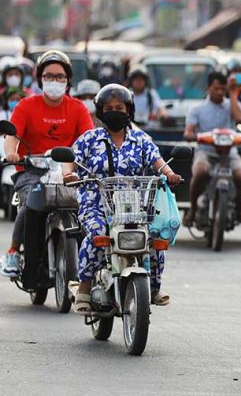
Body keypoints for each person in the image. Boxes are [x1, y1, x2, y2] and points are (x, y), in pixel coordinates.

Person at [62, 84, 183, 313]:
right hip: (96, 203)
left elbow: (158, 161)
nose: (114, 111)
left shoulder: (141, 139)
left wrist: (169, 174)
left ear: (129, 110)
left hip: (135, 206)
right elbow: (71, 158)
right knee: (98, 234)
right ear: (100, 111)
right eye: (108, 108)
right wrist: (69, 174)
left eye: (119, 107)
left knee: (154, 240)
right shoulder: (90, 138)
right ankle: (85, 289)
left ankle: (154, 288)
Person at [0, 50, 94, 277]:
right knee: (28, 204)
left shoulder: (78, 108)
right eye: (49, 76)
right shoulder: (25, 106)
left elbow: (90, 140)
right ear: (40, 78)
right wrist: (12, 153)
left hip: (68, 172)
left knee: (91, 206)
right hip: (32, 170)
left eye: (60, 76)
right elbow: (12, 136)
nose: (55, 81)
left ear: (68, 80)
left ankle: (93, 259)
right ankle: (13, 251)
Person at [183, 71, 241, 225]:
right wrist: (192, 135)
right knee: (200, 172)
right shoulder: (196, 109)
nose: (219, 92)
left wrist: (232, 93)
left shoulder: (232, 105)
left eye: (222, 89)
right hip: (205, 151)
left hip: (229, 153)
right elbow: (188, 131)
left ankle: (240, 210)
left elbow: (239, 118)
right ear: (208, 88)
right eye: (216, 88)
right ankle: (193, 209)